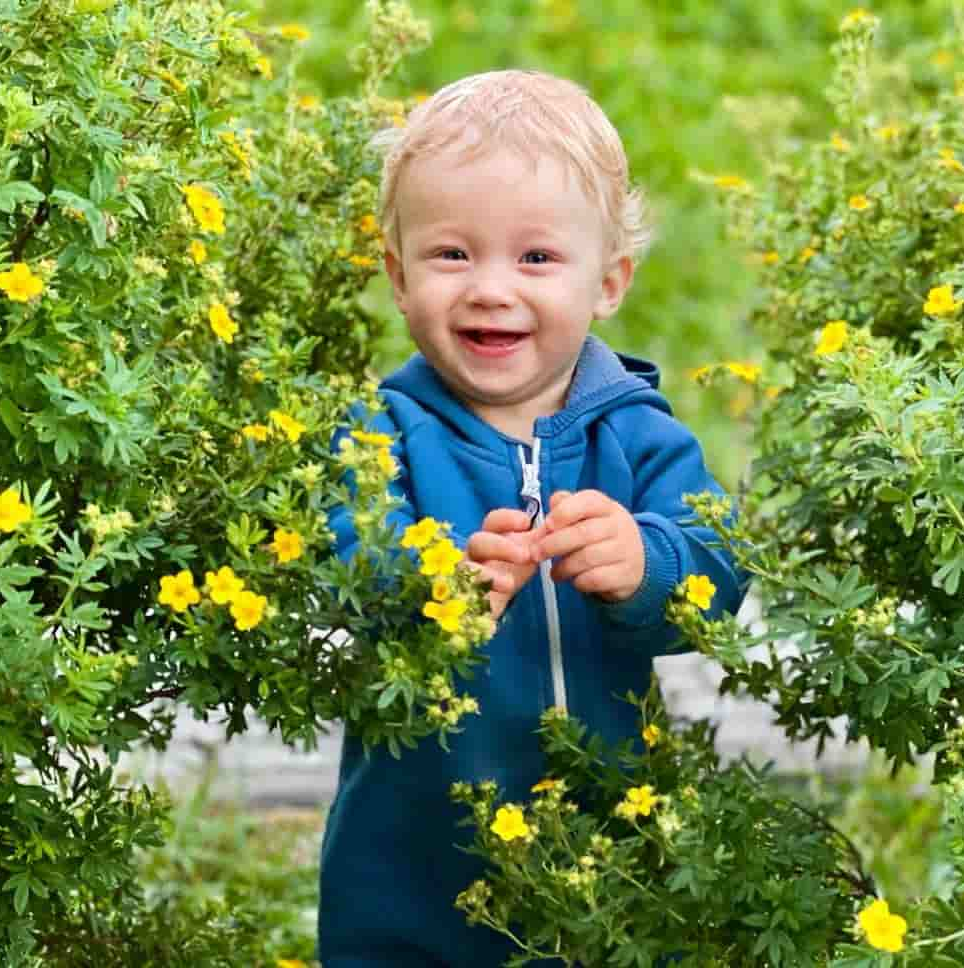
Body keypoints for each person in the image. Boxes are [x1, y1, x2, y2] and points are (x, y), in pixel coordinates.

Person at [318, 69, 748, 968]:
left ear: (610, 282)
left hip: (611, 852)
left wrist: (646, 560)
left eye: (537, 258)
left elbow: (716, 565)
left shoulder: (636, 431)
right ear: (398, 277)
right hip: (411, 863)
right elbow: (343, 555)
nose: (490, 289)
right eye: (451, 255)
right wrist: (432, 581)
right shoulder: (382, 434)